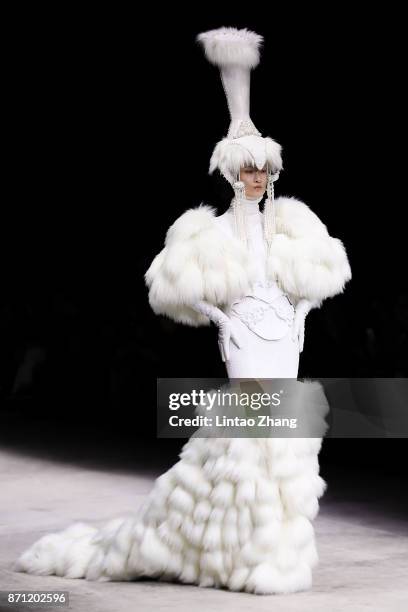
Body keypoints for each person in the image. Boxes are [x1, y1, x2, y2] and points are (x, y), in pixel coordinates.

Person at [14, 27, 351, 595]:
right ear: (229, 173)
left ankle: (265, 549)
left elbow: (328, 273)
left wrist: (301, 314)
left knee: (282, 439)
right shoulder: (210, 230)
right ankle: (240, 549)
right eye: (246, 169)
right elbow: (169, 284)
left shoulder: (291, 221)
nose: (255, 178)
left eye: (263, 170)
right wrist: (220, 319)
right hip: (244, 335)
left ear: (271, 172)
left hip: (283, 335)